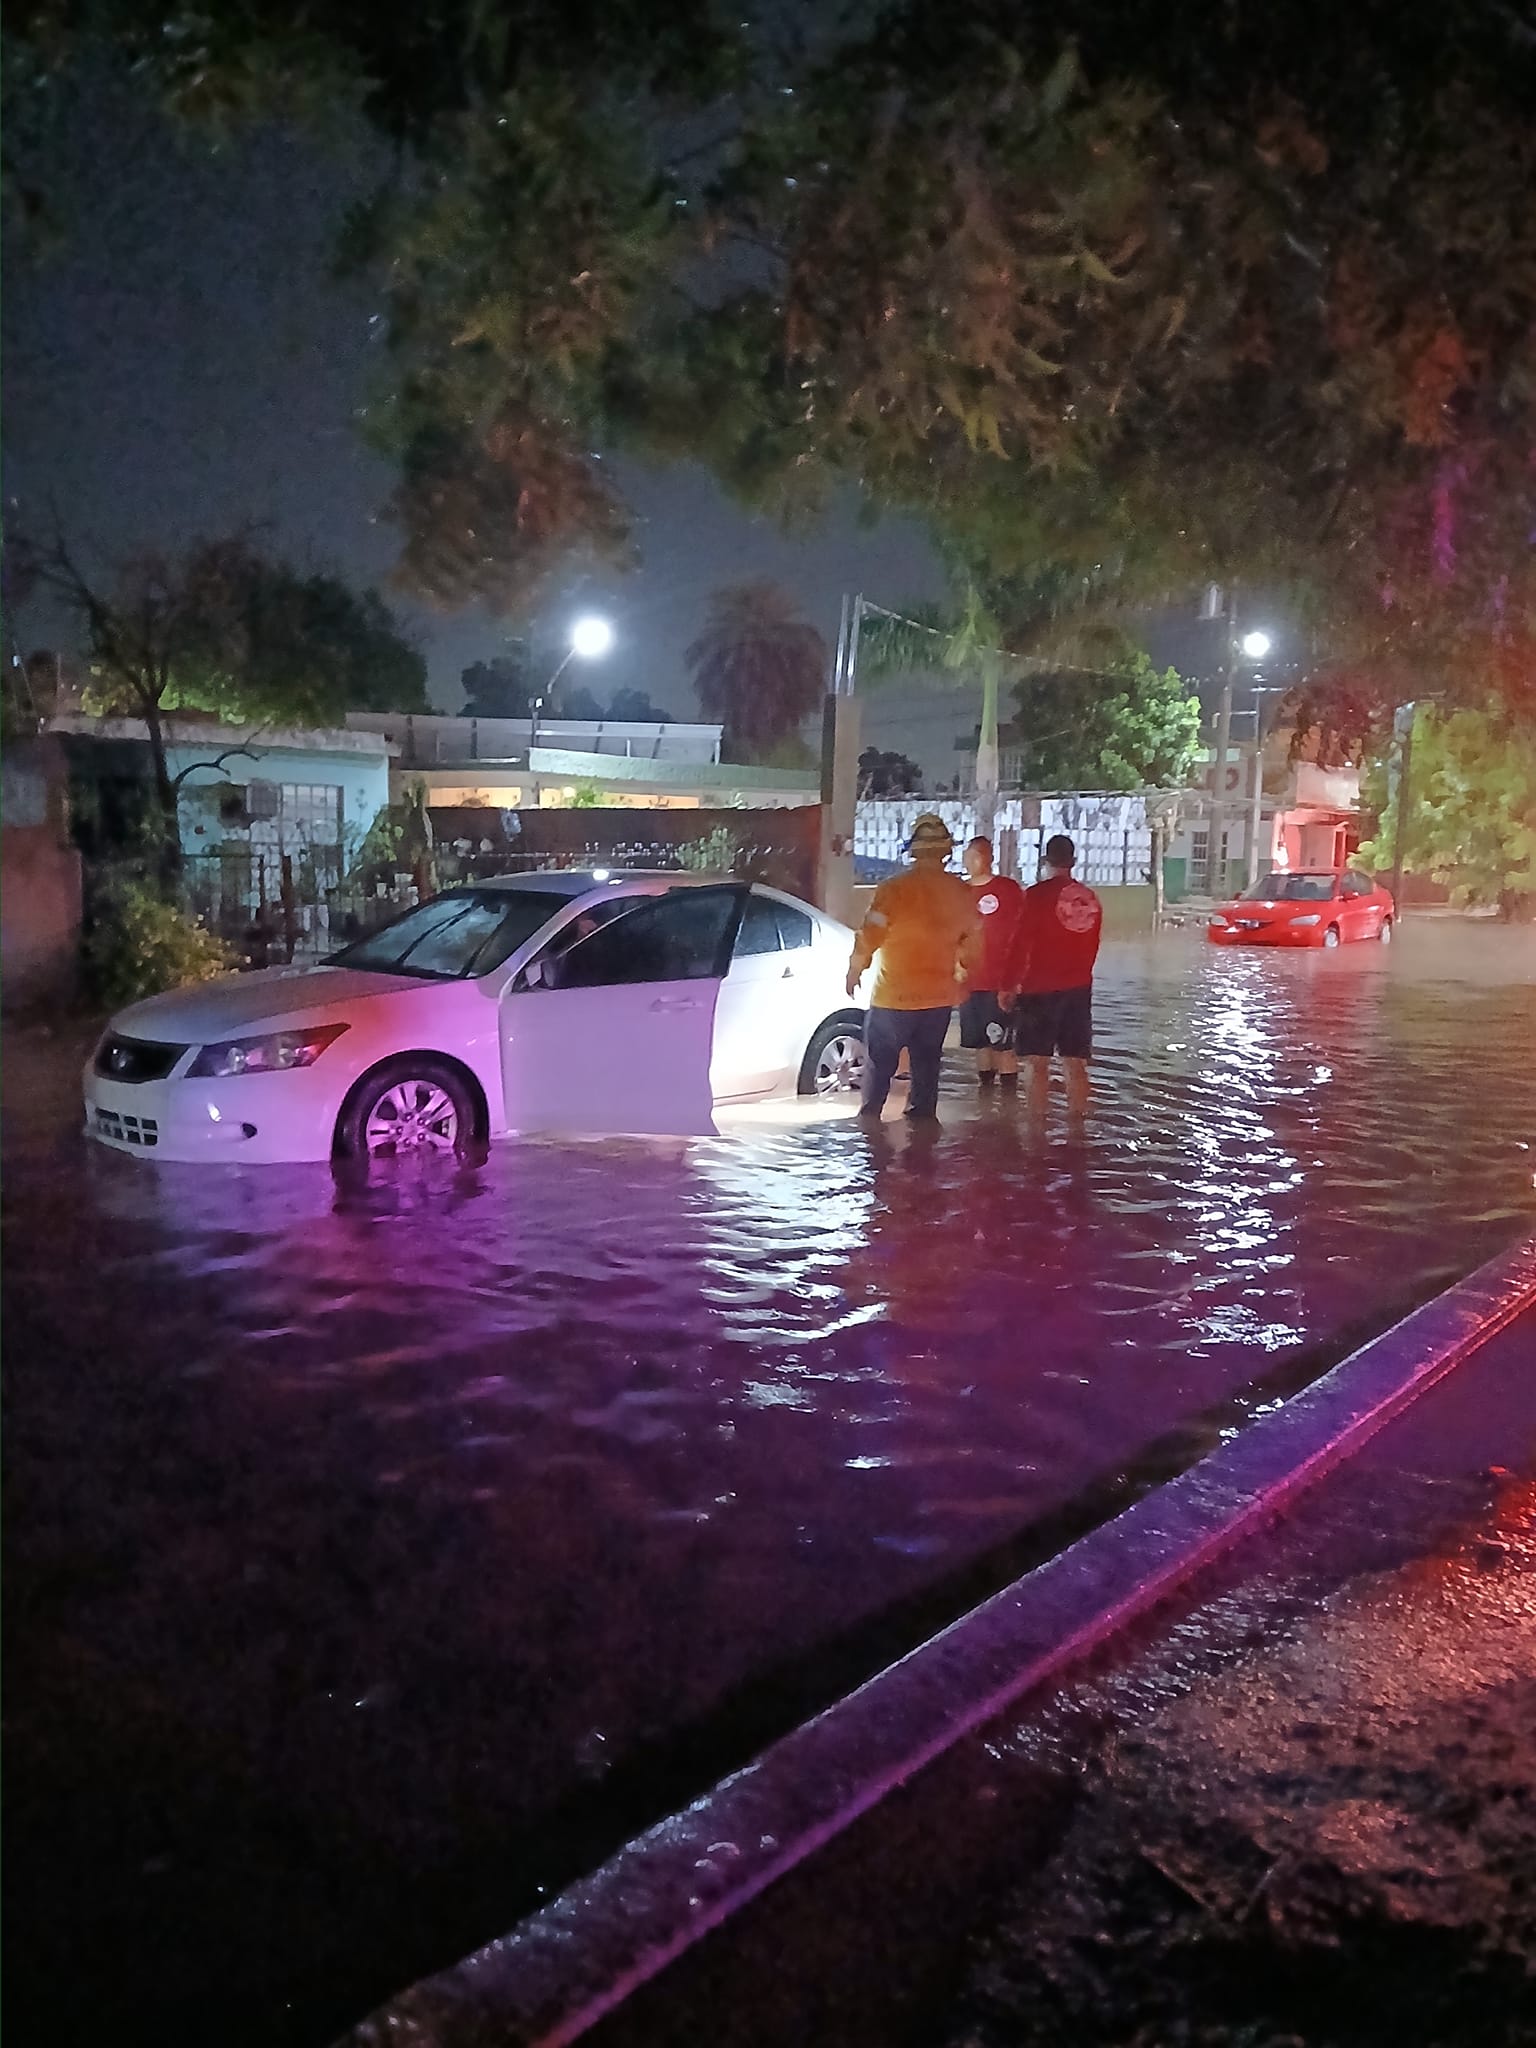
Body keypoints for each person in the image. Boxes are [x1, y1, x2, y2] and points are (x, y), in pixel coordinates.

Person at [847, 813, 982, 1122]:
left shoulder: (893, 889)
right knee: (926, 1075)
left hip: (893, 998)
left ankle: (870, 1144)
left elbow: (870, 935)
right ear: (946, 852)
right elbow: (973, 945)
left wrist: (855, 968)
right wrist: (962, 975)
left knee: (878, 1077)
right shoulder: (961, 892)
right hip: (937, 999)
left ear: (912, 851)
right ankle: (922, 1150)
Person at [1003, 832, 1103, 1116]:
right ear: (1073, 861)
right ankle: (1077, 1130)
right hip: (1079, 989)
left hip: (1039, 990)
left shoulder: (1034, 896)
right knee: (1075, 1063)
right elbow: (1093, 946)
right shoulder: (1089, 899)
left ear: (1046, 861)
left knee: (1037, 1064)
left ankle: (1035, 1133)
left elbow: (1018, 945)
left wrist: (1007, 986)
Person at [958, 835, 1026, 1087]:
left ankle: (1008, 1110)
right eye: (969, 855)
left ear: (989, 858)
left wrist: (1015, 982)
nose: (971, 860)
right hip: (968, 984)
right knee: (979, 1045)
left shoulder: (1008, 890)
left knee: (1003, 1045)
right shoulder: (960, 892)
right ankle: (986, 1104)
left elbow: (1023, 934)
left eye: (978, 855)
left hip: (999, 983)